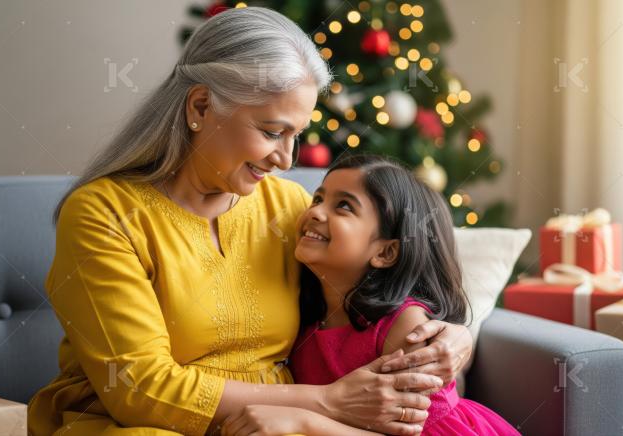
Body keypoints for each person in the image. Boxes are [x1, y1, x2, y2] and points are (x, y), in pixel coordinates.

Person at [28, 7, 475, 435]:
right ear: (201, 107)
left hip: (275, 423)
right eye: (271, 132)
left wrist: (454, 338)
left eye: (296, 136)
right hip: (136, 423)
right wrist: (327, 403)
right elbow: (139, 389)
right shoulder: (102, 213)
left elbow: (368, 293)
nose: (285, 159)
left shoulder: (287, 206)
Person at [221, 155, 518, 436]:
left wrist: (305, 421)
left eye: (344, 207)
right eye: (319, 198)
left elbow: (411, 430)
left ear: (385, 252)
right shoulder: (305, 311)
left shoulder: (406, 327)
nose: (314, 212)